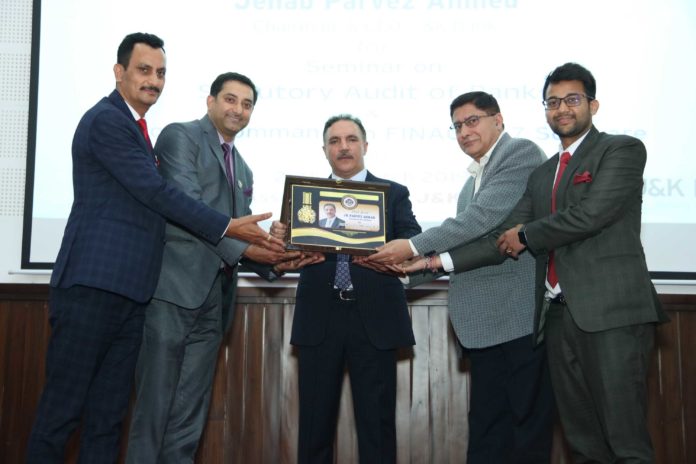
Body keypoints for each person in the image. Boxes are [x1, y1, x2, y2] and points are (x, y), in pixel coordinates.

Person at [26, 34, 283, 464]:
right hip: (93, 286)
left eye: (161, 73)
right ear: (119, 72)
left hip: (132, 294)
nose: (154, 81)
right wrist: (227, 227)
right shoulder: (108, 121)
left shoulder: (141, 132)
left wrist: (277, 253)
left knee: (107, 419)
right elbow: (156, 193)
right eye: (144, 70)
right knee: (62, 413)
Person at [404, 63, 668, 463]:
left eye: (572, 99)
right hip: (556, 317)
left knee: (625, 441)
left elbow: (591, 215)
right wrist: (429, 263)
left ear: (593, 105)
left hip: (611, 314)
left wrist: (525, 234)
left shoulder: (622, 149)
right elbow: (501, 241)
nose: (562, 108)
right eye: (552, 102)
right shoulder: (543, 173)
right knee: (583, 443)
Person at [124, 72, 318, 463]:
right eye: (230, 99)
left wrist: (279, 259)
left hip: (216, 299)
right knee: (155, 407)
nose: (238, 110)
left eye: (247, 104)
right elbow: (188, 208)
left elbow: (242, 231)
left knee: (189, 415)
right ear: (210, 101)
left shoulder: (242, 167)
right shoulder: (180, 137)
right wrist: (258, 250)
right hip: (173, 292)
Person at [369, 92, 554, 462]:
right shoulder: (470, 183)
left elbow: (481, 222)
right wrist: (402, 272)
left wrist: (412, 246)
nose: (464, 131)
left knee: (525, 431)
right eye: (457, 126)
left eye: (473, 121)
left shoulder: (519, 152)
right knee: (487, 429)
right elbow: (467, 248)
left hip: (516, 319)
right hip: (485, 325)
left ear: (498, 120)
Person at [283, 114, 421, 463]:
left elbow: (415, 239)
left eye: (351, 139)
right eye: (334, 141)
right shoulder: (305, 197)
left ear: (365, 146)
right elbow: (288, 250)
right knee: (313, 427)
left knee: (377, 428)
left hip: (374, 319)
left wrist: (390, 248)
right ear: (324, 150)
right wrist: (282, 239)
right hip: (319, 317)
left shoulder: (393, 193)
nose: (343, 147)